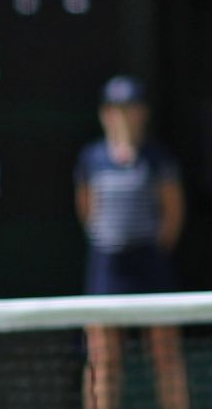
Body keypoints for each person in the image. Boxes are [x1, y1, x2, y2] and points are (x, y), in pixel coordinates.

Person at [74, 75, 189, 409]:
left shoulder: (158, 158)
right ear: (105, 114)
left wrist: (150, 249)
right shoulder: (91, 159)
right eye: (116, 109)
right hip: (107, 267)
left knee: (166, 353)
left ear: (142, 113)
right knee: (103, 358)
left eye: (130, 109)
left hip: (150, 265)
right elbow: (87, 209)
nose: (123, 116)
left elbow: (173, 213)